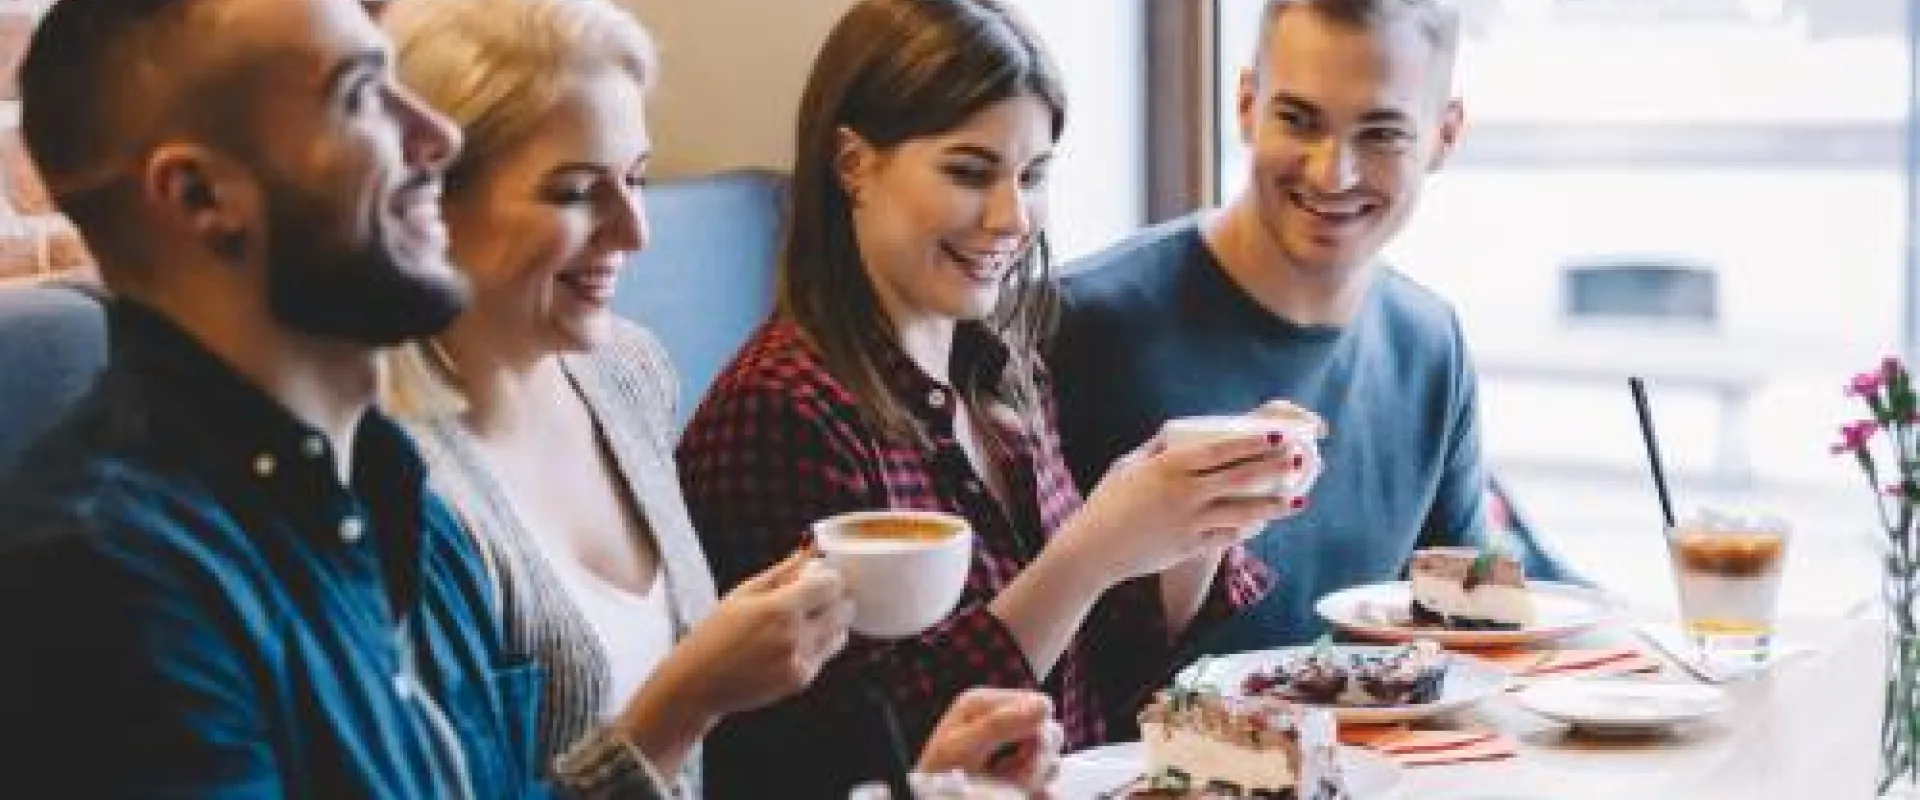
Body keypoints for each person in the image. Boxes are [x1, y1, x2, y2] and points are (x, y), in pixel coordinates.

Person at [0, 0, 1063, 796]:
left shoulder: (367, 494)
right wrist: (681, 702)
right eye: (358, 98)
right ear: (198, 197)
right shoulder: (111, 570)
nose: (428, 138)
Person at [377, 0, 1064, 795]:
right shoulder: (402, 487)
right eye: (574, 192)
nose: (634, 232)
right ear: (428, 202)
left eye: (636, 179)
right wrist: (690, 701)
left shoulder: (628, 375)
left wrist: (931, 779)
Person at [675, 0, 1316, 796]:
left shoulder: (1000, 375)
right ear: (854, 165)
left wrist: (1200, 514)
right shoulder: (781, 412)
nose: (1012, 217)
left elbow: (1095, 681)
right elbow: (856, 758)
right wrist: (1088, 554)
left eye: (1033, 174)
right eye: (969, 171)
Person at [1049, 0, 1576, 652]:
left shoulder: (1431, 343)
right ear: (1247, 105)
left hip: (1378, 755)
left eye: (1382, 133)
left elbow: (1474, 636)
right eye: (1299, 120)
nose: (1334, 172)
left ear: (1446, 134)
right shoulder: (1078, 323)